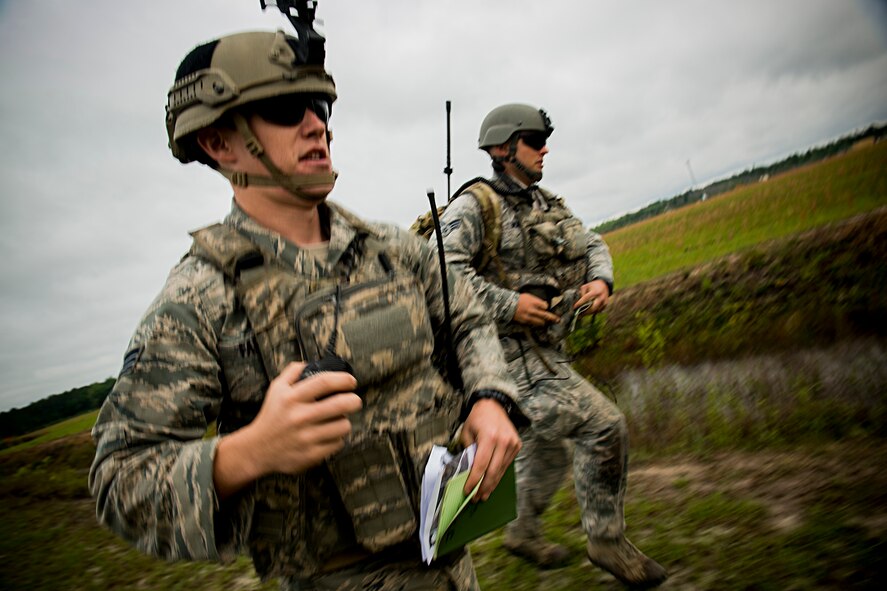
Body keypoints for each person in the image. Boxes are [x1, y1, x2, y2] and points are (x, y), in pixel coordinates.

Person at [89, 29, 524, 591]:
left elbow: (468, 319)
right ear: (219, 142)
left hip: (453, 564)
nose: (316, 124)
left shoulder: (391, 248)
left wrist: (490, 397)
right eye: (285, 110)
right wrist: (248, 452)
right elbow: (120, 480)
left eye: (319, 106)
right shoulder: (199, 300)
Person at [434, 103, 667, 588]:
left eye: (544, 140)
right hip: (496, 361)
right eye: (534, 140)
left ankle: (521, 532)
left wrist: (600, 281)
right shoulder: (474, 207)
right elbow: (441, 274)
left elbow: (593, 244)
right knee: (605, 427)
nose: (544, 149)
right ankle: (606, 540)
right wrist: (508, 305)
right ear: (502, 149)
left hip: (544, 353)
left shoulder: (547, 204)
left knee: (553, 451)